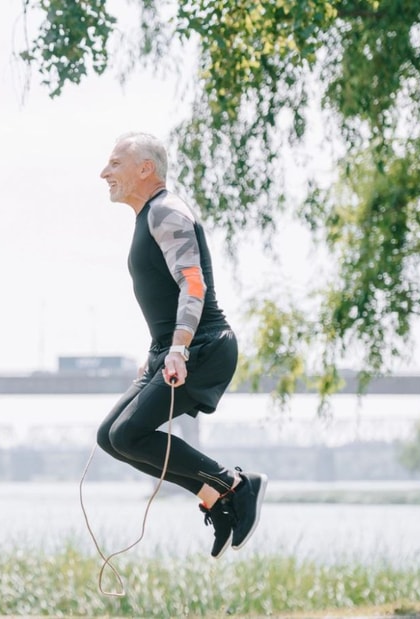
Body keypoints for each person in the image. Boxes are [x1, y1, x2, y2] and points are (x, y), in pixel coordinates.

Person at [95, 132, 267, 559]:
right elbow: (166, 296)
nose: (104, 172)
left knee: (129, 434)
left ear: (145, 168)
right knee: (110, 437)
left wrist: (178, 349)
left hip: (203, 347)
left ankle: (236, 484)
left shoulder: (166, 211)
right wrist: (157, 351)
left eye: (115, 163)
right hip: (171, 350)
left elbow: (193, 283)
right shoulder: (147, 217)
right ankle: (217, 497)